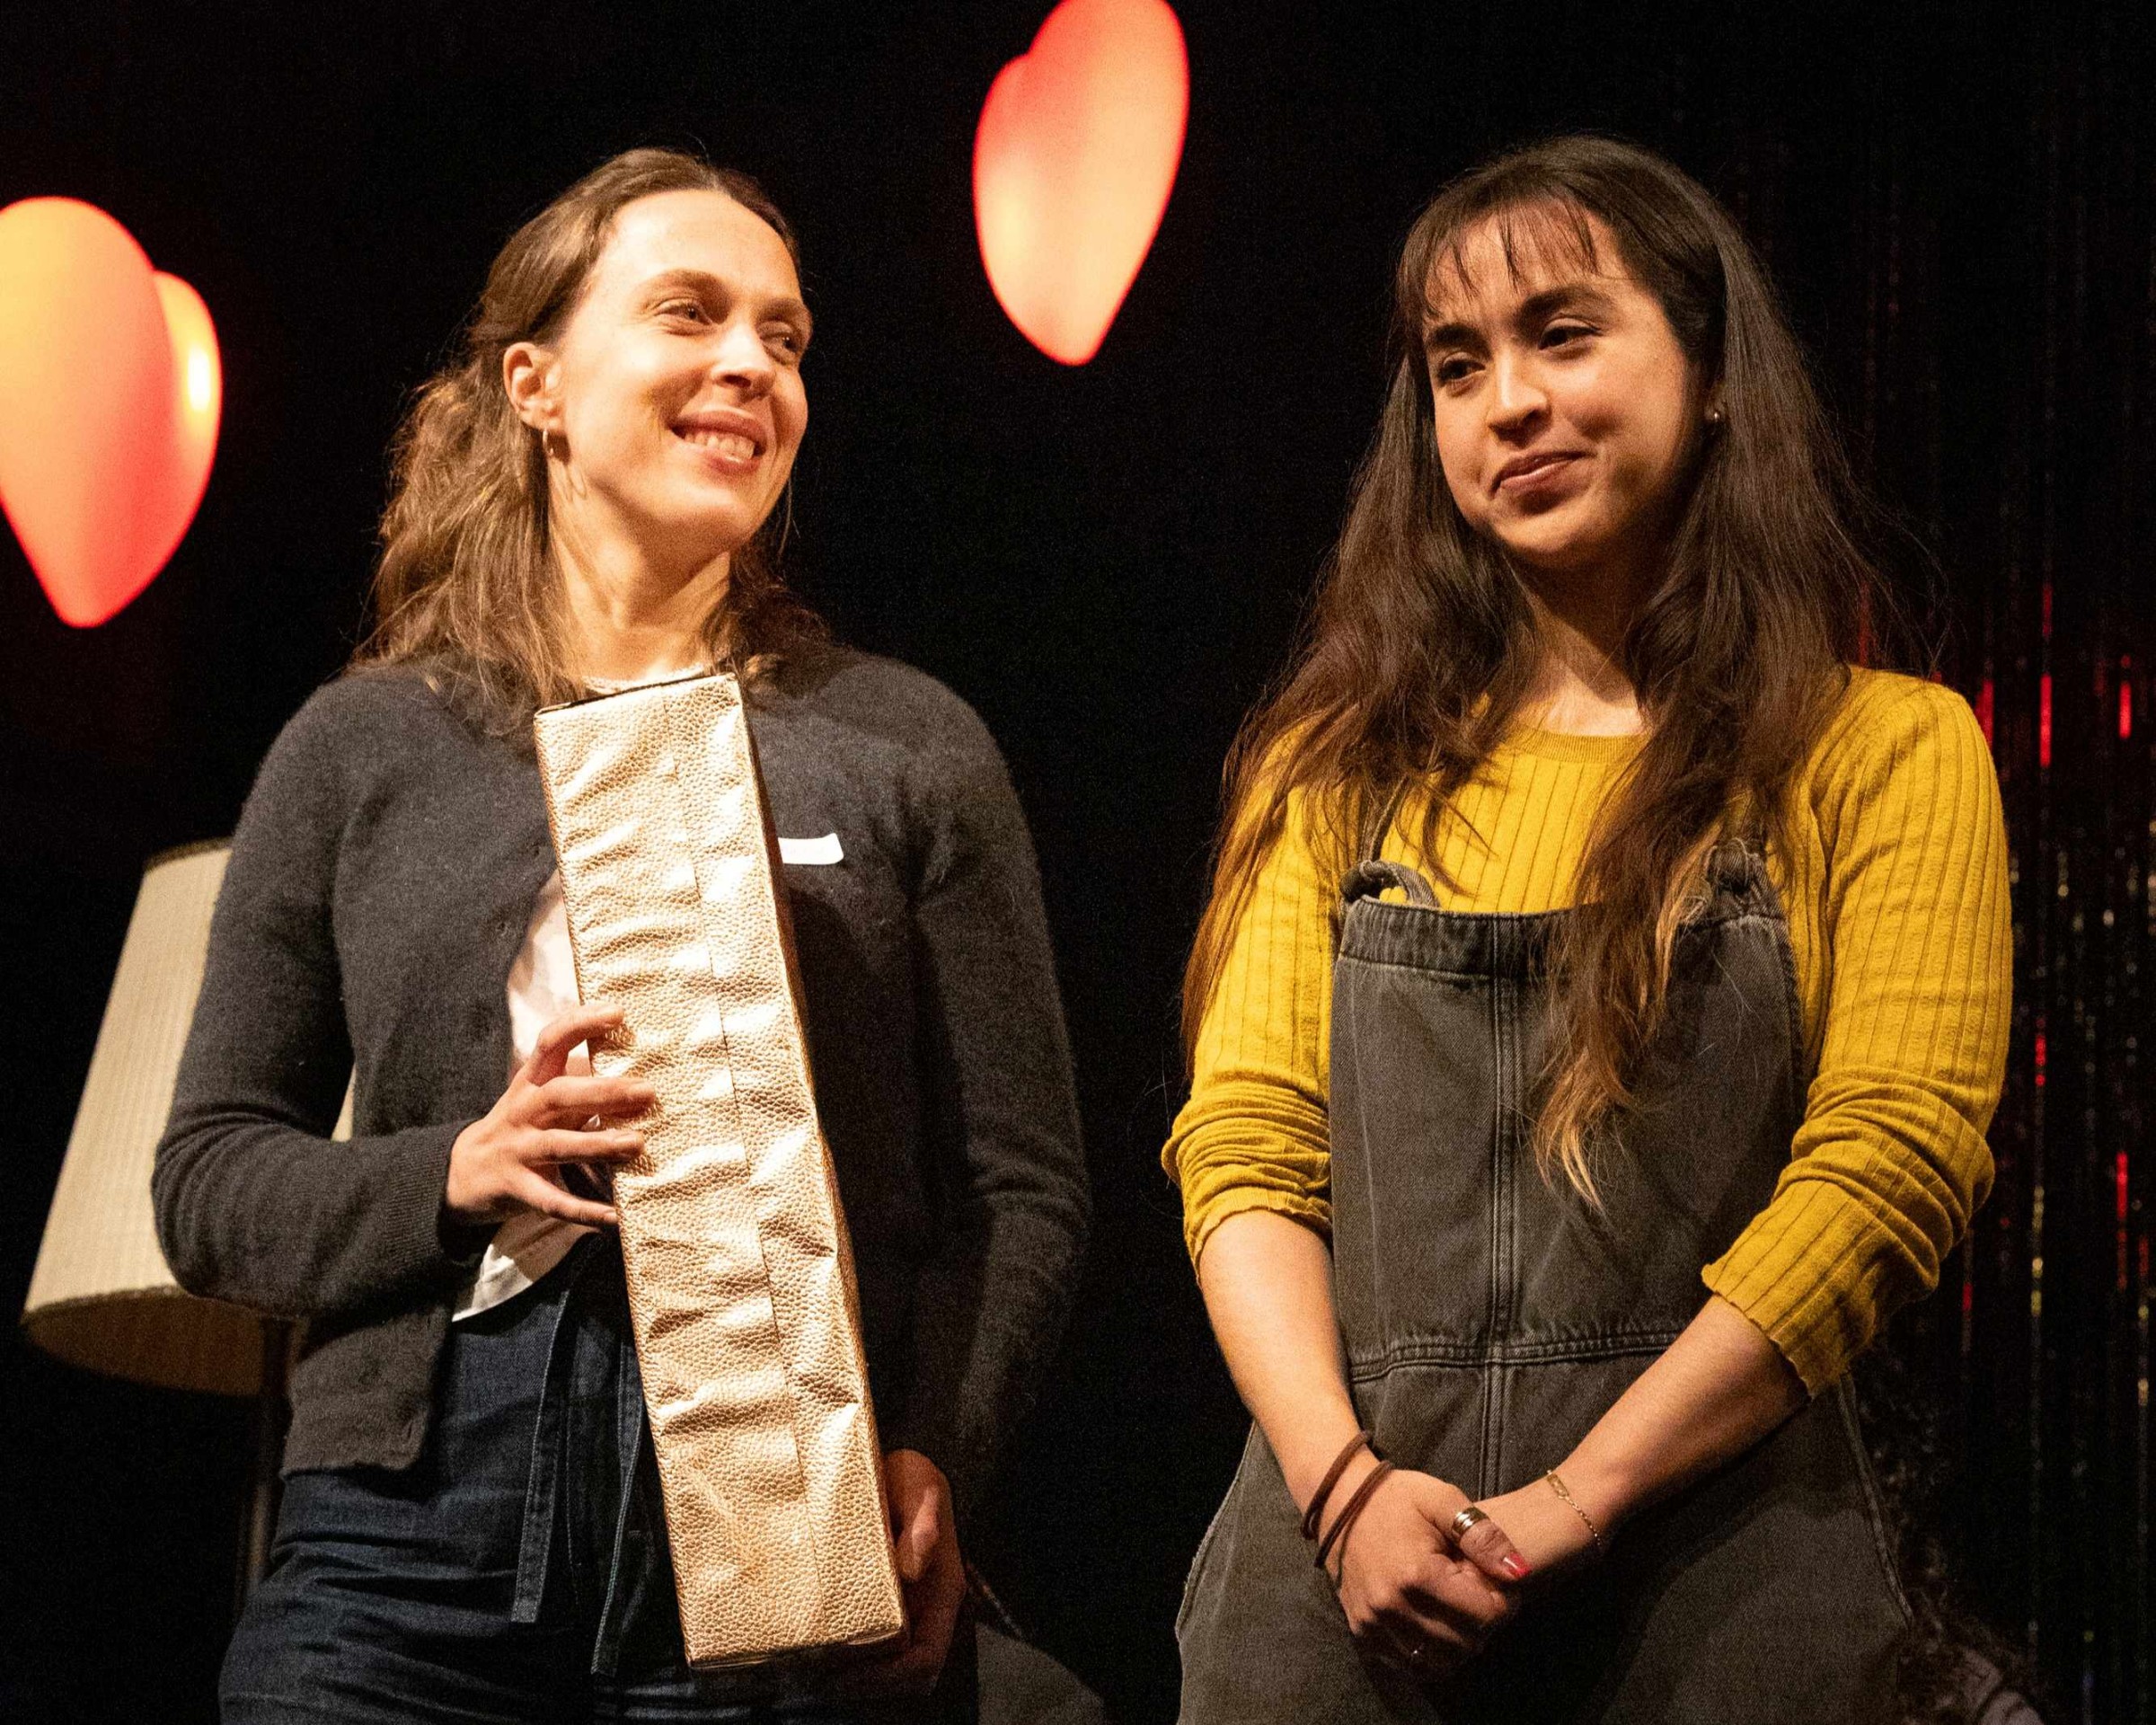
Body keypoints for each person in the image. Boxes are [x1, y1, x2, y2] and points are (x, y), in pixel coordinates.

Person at [154, 147, 1090, 1723]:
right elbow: (208, 1181)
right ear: (537, 382)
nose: (749, 366)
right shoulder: (366, 744)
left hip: (775, 1515)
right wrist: (452, 1171)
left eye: (784, 340)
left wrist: (932, 1441)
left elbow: (1023, 1187)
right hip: (406, 1535)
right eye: (689, 315)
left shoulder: (906, 745)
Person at [1165, 135, 2010, 1722]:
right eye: (1459, 363)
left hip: (1716, 1584)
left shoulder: (1882, 750)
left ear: (1713, 375)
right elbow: (1247, 1150)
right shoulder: (1337, 765)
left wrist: (1576, 1501)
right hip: (1350, 1578)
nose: (1510, 403)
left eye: (1564, 333)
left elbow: (1889, 1167)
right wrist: (1344, 1491)